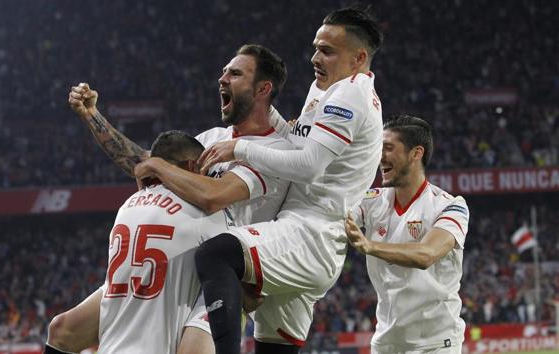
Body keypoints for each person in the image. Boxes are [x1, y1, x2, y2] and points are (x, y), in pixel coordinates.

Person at [46, 44, 292, 353]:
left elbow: (213, 196)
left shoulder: (275, 151)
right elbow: (144, 163)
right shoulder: (213, 139)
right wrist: (93, 116)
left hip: (222, 274)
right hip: (173, 256)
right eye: (225, 71)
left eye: (235, 73)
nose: (222, 78)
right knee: (63, 330)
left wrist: (158, 166)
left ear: (263, 89)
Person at [187, 7, 384, 354]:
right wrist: (264, 108)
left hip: (311, 235)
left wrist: (240, 148)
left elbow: (308, 166)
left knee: (217, 253)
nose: (315, 57)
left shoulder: (352, 94)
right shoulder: (326, 89)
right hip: (301, 235)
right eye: (315, 47)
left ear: (359, 58)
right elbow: (298, 141)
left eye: (327, 50)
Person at [46, 131, 230, 354]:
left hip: (110, 348)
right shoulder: (205, 213)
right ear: (192, 167)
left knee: (60, 330)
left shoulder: (128, 205)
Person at [345, 115, 469, 354]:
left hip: (435, 343)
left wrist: (370, 246)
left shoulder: (450, 206)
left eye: (388, 148)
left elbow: (426, 254)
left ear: (416, 153)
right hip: (386, 341)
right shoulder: (371, 201)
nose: (380, 156)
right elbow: (333, 217)